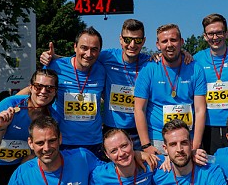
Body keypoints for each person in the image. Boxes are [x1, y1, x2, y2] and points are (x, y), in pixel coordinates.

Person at [40, 19, 152, 150]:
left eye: (137, 40)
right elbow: (82, 58)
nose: (132, 44)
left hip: (134, 131)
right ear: (121, 40)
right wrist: (53, 57)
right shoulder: (106, 58)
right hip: (81, 136)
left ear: (143, 41)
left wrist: (171, 54)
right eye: (127, 39)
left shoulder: (150, 62)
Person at [134, 23, 207, 155]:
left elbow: (200, 109)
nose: (169, 45)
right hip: (157, 140)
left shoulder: (196, 68)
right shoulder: (148, 69)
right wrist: (146, 145)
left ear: (181, 42)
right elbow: (139, 109)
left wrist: (195, 145)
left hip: (186, 139)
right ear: (158, 45)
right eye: (164, 41)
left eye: (173, 40)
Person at [45, 27, 106, 158]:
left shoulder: (102, 70)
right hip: (62, 141)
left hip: (94, 143)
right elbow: (35, 90)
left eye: (94, 49)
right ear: (75, 47)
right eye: (84, 48)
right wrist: (8, 103)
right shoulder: (56, 66)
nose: (88, 54)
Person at [193, 13, 228, 154]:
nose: (215, 37)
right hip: (207, 127)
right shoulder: (196, 59)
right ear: (205, 36)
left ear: (226, 33)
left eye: (219, 33)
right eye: (210, 34)